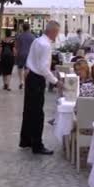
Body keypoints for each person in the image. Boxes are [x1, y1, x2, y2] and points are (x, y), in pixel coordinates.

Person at [19, 21, 61, 155]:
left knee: (29, 110)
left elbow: (31, 59)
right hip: (37, 79)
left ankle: (26, 140)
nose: (57, 35)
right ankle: (37, 145)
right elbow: (43, 67)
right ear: (53, 31)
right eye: (57, 32)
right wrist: (55, 81)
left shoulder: (37, 41)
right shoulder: (46, 45)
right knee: (37, 113)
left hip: (31, 76)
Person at [15, 23, 35, 90]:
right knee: (27, 68)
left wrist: (16, 53)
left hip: (20, 54)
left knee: (20, 68)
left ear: (23, 28)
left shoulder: (19, 36)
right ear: (29, 28)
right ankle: (26, 82)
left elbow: (16, 46)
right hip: (29, 55)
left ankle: (21, 82)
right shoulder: (32, 36)